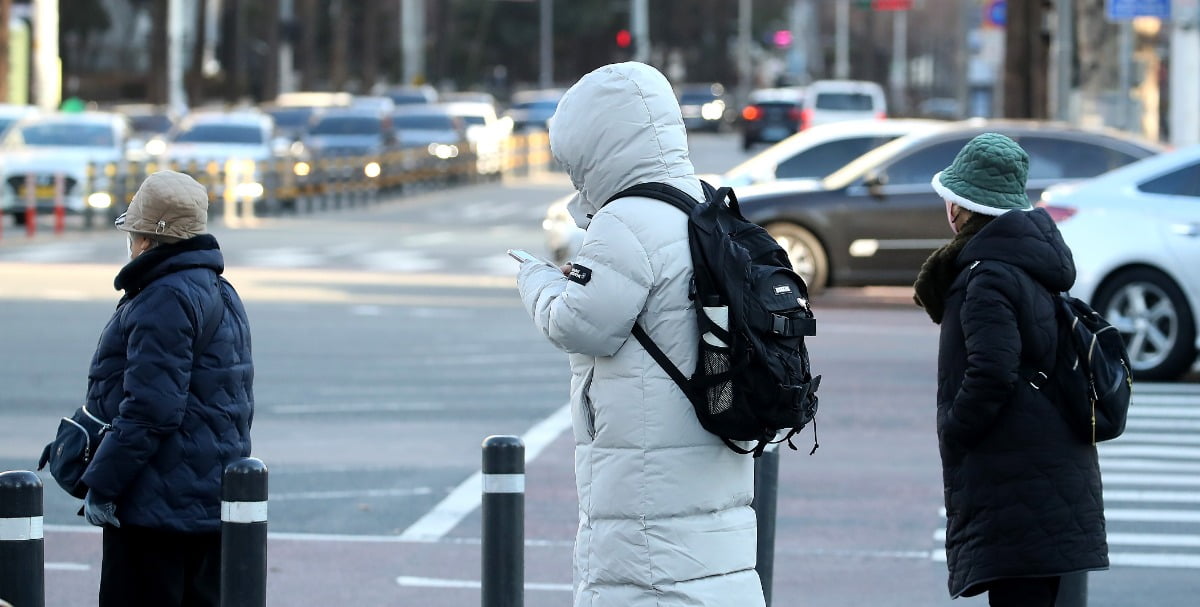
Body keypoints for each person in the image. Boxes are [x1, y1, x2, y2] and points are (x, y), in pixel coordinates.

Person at [515, 62, 765, 607]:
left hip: (646, 484)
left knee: (648, 582)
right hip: (714, 443)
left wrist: (533, 278)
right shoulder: (703, 207)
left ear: (599, 144)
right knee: (713, 576)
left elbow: (579, 323)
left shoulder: (627, 220)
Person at [913, 133, 1108, 606]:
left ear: (959, 207)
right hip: (1045, 475)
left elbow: (991, 372)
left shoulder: (987, 277)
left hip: (1016, 483)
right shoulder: (1028, 265)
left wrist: (957, 429)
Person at [80, 170, 255, 606]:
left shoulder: (164, 297)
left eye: (135, 232)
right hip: (205, 498)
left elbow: (151, 409)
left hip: (155, 504)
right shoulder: (219, 288)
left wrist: (104, 484)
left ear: (147, 239)